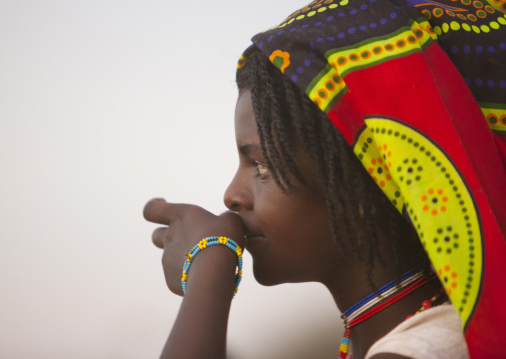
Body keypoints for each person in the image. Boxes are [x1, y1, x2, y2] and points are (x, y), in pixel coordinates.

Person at [143, 0, 506, 358]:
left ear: (366, 183)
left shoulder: (433, 349)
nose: (231, 195)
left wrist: (208, 270)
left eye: (261, 167)